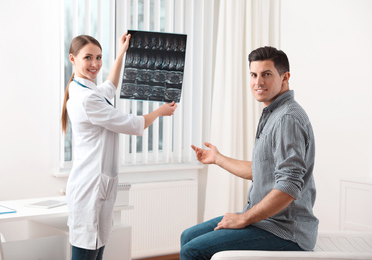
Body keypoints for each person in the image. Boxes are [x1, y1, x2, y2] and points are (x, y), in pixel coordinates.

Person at [180, 46, 318, 259]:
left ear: (285, 77)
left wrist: (243, 219)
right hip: (266, 221)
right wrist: (217, 158)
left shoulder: (286, 119)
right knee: (188, 237)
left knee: (193, 250)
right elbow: (262, 170)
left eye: (266, 74)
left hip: (284, 230)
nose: (258, 82)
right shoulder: (273, 113)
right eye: (254, 75)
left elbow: (289, 186)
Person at [61, 33, 177, 260]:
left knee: (96, 251)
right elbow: (132, 124)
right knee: (86, 253)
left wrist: (121, 53)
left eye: (99, 57)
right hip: (90, 190)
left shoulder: (88, 91)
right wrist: (160, 112)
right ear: (73, 59)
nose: (95, 64)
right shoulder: (87, 99)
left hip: (95, 186)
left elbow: (110, 86)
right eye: (88, 58)